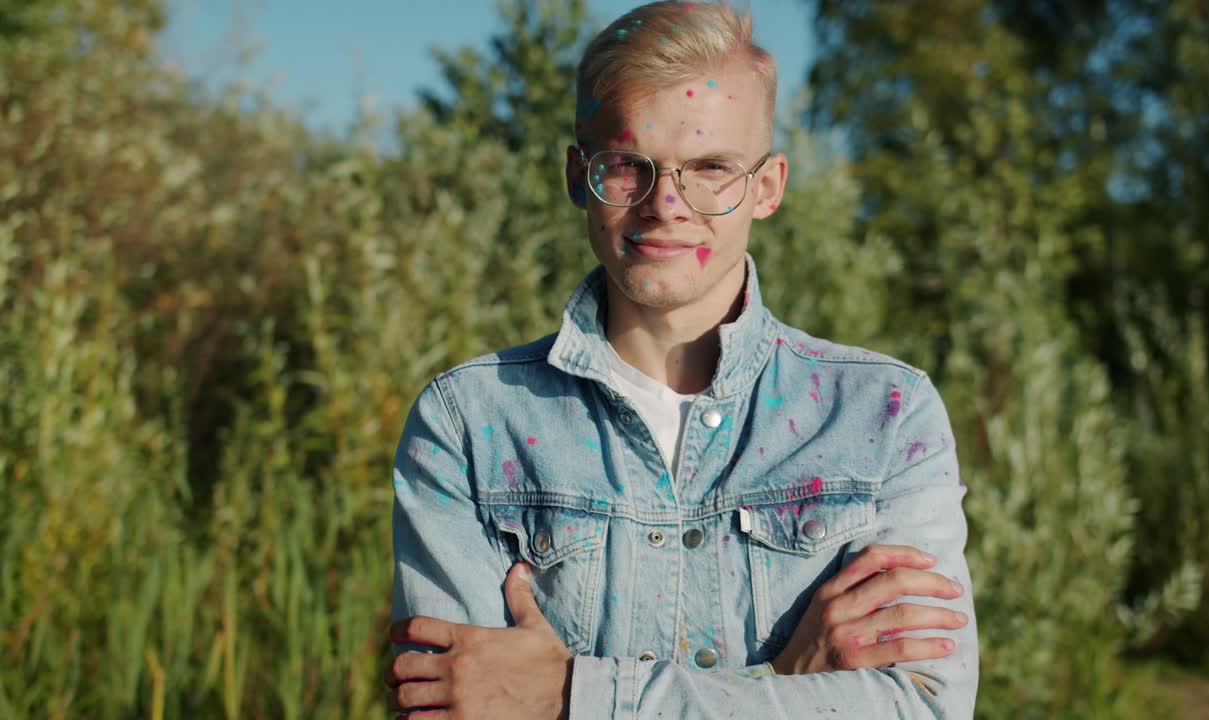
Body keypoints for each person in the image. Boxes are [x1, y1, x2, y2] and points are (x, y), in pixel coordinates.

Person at [385, 2, 978, 717]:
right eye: (627, 166)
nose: (667, 204)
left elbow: (924, 708)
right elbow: (461, 708)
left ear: (767, 187)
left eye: (710, 168)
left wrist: (574, 695)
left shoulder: (882, 416)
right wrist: (783, 684)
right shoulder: (470, 424)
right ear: (578, 176)